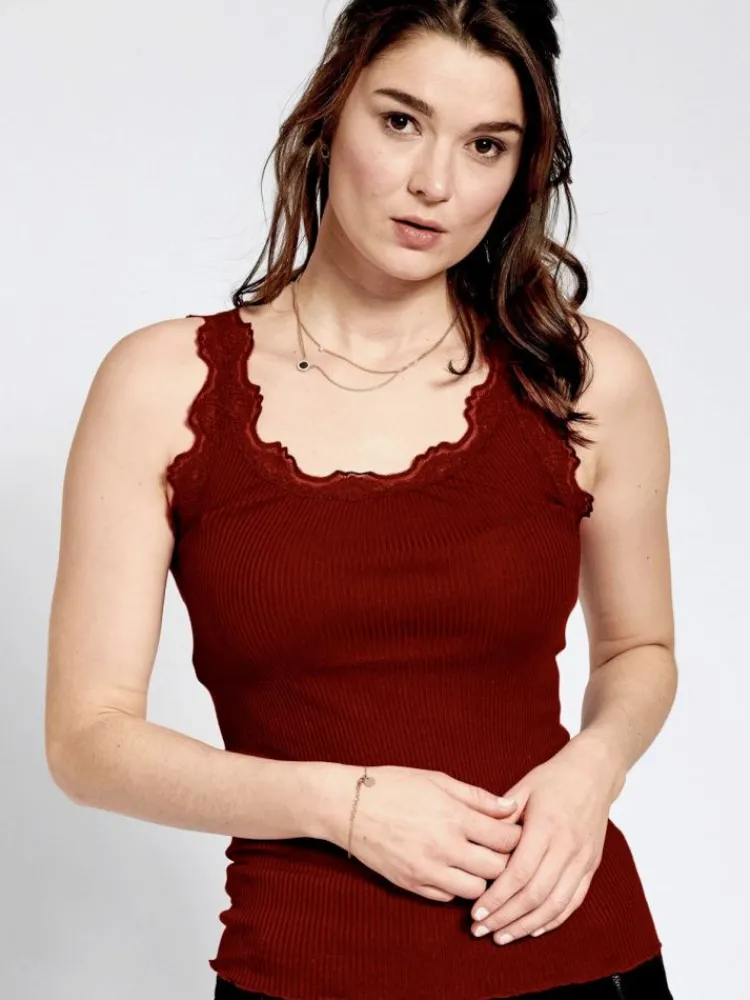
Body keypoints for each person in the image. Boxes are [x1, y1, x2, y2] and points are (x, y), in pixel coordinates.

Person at [45, 1, 678, 998]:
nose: (436, 183)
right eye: (400, 121)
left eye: (486, 145)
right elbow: (87, 742)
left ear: (522, 171)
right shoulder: (163, 386)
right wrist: (343, 805)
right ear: (330, 112)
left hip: (576, 950)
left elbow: (639, 647)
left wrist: (591, 770)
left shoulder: (583, 378)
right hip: (305, 966)